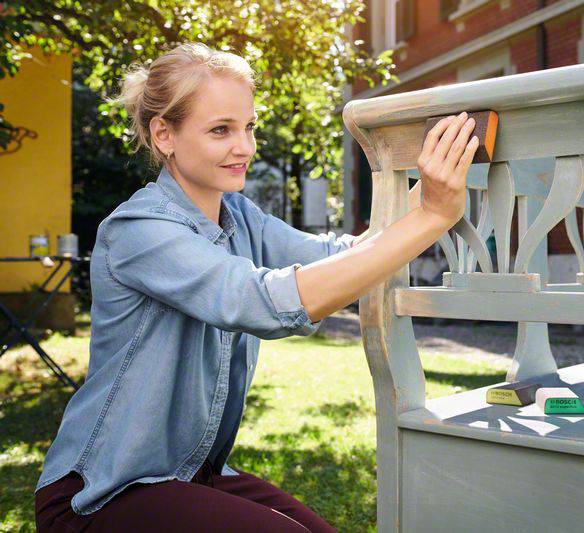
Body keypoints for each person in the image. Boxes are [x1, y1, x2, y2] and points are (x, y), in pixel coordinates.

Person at [33, 42, 479, 532]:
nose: (244, 146)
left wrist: (436, 184)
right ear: (164, 134)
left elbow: (344, 259)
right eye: (221, 130)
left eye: (248, 127)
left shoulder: (239, 216)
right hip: (100, 493)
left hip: (191, 475)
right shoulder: (138, 229)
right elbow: (264, 302)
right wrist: (434, 215)